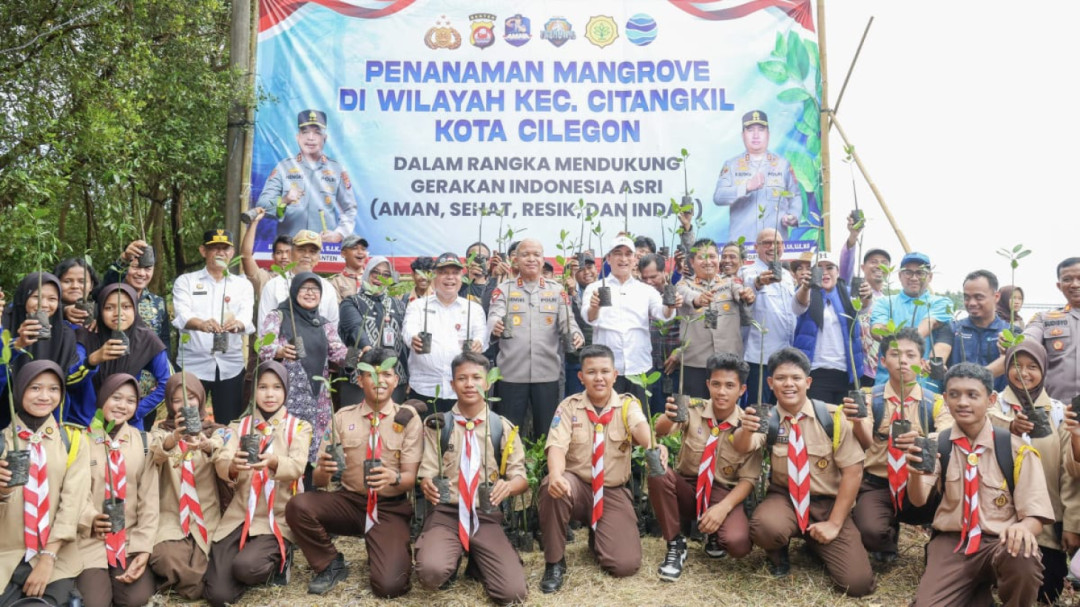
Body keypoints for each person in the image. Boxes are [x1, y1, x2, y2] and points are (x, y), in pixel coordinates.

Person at [906, 363, 1052, 607]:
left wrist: (1023, 527)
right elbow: (919, 500)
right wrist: (914, 474)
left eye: (972, 395)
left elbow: (1036, 515)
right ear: (945, 399)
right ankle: (976, 593)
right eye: (954, 394)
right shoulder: (936, 444)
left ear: (991, 399)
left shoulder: (1016, 450)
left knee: (1024, 555)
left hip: (1000, 543)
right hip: (953, 543)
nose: (963, 402)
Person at [734, 347, 874, 597]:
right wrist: (745, 429)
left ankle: (816, 543)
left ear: (808, 382)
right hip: (785, 498)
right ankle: (779, 552)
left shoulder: (833, 417)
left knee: (858, 584)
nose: (789, 384)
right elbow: (744, 446)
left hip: (827, 504)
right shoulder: (767, 417)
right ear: (770, 382)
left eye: (796, 378)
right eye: (780, 378)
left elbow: (853, 472)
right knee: (766, 527)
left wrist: (834, 523)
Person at [286, 348, 423, 597]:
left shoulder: (408, 419)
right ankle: (329, 563)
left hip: (388, 507)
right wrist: (324, 472)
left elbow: (410, 479)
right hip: (350, 503)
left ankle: (384, 550)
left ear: (396, 380)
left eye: (386, 375)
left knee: (390, 586)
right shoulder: (340, 418)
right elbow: (318, 480)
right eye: (371, 375)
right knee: (298, 505)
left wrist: (394, 478)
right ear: (360, 380)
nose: (379, 381)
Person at [415, 351, 528, 605]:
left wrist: (508, 486)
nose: (469, 384)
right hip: (446, 514)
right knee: (431, 574)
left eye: (476, 377)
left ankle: (478, 563)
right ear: (452, 384)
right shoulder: (438, 424)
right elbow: (427, 472)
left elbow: (520, 477)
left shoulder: (501, 426)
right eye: (462, 378)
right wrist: (427, 483)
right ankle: (450, 559)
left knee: (513, 594)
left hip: (485, 515)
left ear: (488, 383)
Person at [538, 345, 652, 592]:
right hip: (576, 486)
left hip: (611, 491)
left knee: (625, 565)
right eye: (591, 372)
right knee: (552, 486)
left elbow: (641, 427)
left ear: (615, 374)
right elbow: (556, 445)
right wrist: (556, 474)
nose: (598, 378)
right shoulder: (569, 406)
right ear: (581, 376)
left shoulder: (627, 406)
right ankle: (555, 561)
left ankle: (597, 534)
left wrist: (654, 445)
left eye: (604, 371)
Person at [204, 361, 312, 607]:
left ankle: (280, 560)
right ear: (253, 392)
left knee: (246, 568)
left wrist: (274, 461)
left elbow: (298, 465)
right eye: (262, 387)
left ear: (286, 390)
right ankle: (240, 567)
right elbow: (221, 458)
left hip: (276, 516)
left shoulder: (299, 427)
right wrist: (232, 465)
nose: (270, 394)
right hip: (239, 515)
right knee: (218, 595)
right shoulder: (238, 426)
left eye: (276, 387)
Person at [649, 353, 761, 581]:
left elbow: (749, 479)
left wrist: (723, 508)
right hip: (688, 488)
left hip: (722, 493)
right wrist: (668, 420)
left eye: (730, 386)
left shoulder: (749, 423)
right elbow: (661, 430)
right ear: (708, 384)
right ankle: (675, 544)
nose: (722, 392)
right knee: (657, 469)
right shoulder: (693, 408)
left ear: (741, 390)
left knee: (738, 544)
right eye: (716, 384)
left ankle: (714, 535)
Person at [849, 328, 951, 562]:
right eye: (895, 354)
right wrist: (856, 422)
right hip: (878, 483)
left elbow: (947, 436)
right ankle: (886, 538)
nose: (903, 360)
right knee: (870, 531)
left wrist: (922, 440)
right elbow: (865, 441)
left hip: (921, 483)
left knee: (946, 508)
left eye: (910, 355)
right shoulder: (869, 398)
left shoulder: (934, 403)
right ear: (883, 361)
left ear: (921, 362)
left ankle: (939, 545)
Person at [991, 341, 1077, 604]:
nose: (1024, 373)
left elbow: (1069, 474)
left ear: (1044, 370)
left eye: (1032, 367)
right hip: (996, 520)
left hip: (1045, 526)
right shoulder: (993, 407)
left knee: (1046, 591)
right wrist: (1009, 427)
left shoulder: (1059, 413)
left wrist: (1072, 524)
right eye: (1017, 365)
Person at [0, 360, 91, 606]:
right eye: (35, 388)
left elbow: (73, 502)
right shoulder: (2, 443)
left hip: (56, 554)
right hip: (6, 554)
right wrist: (3, 493)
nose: (44, 396)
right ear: (19, 390)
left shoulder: (73, 441)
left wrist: (48, 557)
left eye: (53, 389)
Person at [75, 374, 159, 607]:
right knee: (94, 603)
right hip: (91, 540)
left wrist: (144, 549)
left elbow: (149, 500)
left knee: (136, 600)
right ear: (102, 398)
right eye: (116, 398)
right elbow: (75, 492)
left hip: (130, 538)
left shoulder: (143, 442)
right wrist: (90, 519)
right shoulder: (82, 440)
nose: (122, 406)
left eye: (131, 401)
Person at [488, 238, 584, 436]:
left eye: (536, 255)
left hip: (547, 373)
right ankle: (511, 467)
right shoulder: (504, 290)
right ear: (516, 260)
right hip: (511, 374)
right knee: (510, 432)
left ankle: (546, 467)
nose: (531, 259)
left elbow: (569, 322)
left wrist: (575, 334)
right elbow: (493, 315)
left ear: (542, 259)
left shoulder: (556, 291)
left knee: (547, 431)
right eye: (525, 255)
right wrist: (495, 325)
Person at [148, 372, 227, 600]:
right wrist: (173, 439)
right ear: (170, 405)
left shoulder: (217, 431)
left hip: (208, 516)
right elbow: (155, 454)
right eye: (177, 400)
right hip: (173, 516)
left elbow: (224, 453)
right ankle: (196, 584)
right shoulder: (160, 431)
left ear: (201, 398)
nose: (185, 404)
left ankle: (188, 583)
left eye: (191, 397)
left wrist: (207, 446)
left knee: (210, 556)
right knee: (165, 558)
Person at [259, 272, 347, 463]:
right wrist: (280, 350)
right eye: (304, 288)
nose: (310, 293)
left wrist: (359, 356)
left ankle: (311, 487)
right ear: (294, 290)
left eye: (315, 289)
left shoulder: (324, 324)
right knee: (286, 446)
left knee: (315, 452)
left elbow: (338, 352)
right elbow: (263, 348)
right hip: (287, 396)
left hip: (318, 399)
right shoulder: (278, 316)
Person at [581, 236, 679, 405]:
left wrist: (671, 305)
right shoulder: (595, 288)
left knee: (639, 419)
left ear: (635, 259)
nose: (623, 258)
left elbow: (662, 314)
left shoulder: (645, 290)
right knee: (607, 419)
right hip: (607, 369)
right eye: (618, 253)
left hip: (639, 366)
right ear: (608, 258)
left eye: (628, 254)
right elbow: (588, 318)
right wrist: (595, 307)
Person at [172, 230, 255, 425]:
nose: (220, 252)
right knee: (187, 423)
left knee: (228, 424)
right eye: (214, 248)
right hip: (192, 365)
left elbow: (246, 316)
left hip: (230, 366)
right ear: (203, 251)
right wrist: (201, 324)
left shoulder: (243, 285)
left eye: (224, 248)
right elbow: (182, 314)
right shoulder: (186, 281)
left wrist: (237, 324)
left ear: (232, 252)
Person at [0, 272, 97, 428]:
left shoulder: (65, 334)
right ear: (23, 297)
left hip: (49, 419)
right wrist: (18, 344)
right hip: (7, 418)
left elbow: (68, 378)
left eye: (52, 299)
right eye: (36, 297)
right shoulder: (6, 326)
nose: (43, 304)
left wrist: (92, 362)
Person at [72, 283, 171, 429]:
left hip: (127, 424)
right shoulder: (87, 336)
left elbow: (166, 383)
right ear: (99, 310)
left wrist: (135, 411)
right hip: (86, 420)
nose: (118, 313)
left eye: (126, 307)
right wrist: (94, 359)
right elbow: (70, 377)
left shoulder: (145, 339)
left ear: (135, 309)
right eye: (109, 308)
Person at [254, 109, 357, 243]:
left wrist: (339, 234)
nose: (310, 138)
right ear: (298, 137)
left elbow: (349, 209)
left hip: (322, 250)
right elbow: (262, 206)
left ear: (324, 138)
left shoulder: (337, 170)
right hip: (289, 249)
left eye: (317, 133)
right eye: (305, 132)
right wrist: (284, 200)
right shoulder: (283, 168)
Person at [402, 253, 488, 410]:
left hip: (461, 391)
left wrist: (479, 343)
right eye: (444, 273)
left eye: (455, 273)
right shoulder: (418, 306)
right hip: (424, 388)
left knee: (460, 433)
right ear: (434, 277)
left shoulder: (473, 309)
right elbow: (409, 329)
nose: (450, 278)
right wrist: (413, 338)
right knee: (423, 433)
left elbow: (482, 333)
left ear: (462, 277)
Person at [676, 239, 755, 399]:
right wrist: (698, 299)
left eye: (712, 256)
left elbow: (740, 293)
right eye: (701, 257)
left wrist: (747, 294)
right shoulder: (683, 285)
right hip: (696, 363)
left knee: (727, 412)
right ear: (692, 261)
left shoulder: (730, 283)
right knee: (695, 412)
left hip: (728, 362)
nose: (708, 262)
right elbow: (687, 296)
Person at [712, 110, 800, 243]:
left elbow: (795, 196)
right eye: (750, 130)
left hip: (775, 246)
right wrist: (745, 187)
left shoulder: (783, 165)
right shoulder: (731, 165)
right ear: (743, 135)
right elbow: (718, 197)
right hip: (742, 246)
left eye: (761, 129)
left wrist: (793, 214)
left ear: (768, 135)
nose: (756, 135)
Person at [791, 253, 868, 404]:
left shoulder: (848, 292)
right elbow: (798, 306)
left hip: (847, 372)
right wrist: (806, 287)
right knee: (820, 421)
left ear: (838, 272)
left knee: (845, 422)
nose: (825, 272)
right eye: (819, 268)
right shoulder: (805, 292)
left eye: (830, 267)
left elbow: (863, 307)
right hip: (815, 371)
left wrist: (867, 296)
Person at [869, 251, 953, 386]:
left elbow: (929, 323)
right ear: (900, 275)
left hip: (925, 385)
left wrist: (897, 340)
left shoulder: (941, 303)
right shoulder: (884, 302)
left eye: (920, 273)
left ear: (930, 276)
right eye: (908, 272)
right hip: (887, 384)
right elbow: (876, 329)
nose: (914, 278)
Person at [338, 255, 409, 405]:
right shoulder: (351, 302)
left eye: (385, 274)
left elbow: (406, 341)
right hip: (359, 376)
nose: (379, 277)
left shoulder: (399, 305)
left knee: (389, 424)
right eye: (375, 272)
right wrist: (367, 347)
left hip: (394, 377)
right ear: (367, 272)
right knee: (357, 423)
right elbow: (354, 327)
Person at [739, 228, 797, 406]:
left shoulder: (787, 276)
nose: (773, 247)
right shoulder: (747, 272)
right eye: (767, 243)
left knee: (782, 409)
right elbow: (749, 286)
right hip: (760, 358)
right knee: (759, 411)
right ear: (756, 247)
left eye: (777, 243)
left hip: (786, 355)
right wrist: (759, 282)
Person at [933, 270, 1010, 391]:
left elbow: (1009, 361)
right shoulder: (952, 328)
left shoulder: (1010, 332)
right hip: (957, 402)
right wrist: (935, 363)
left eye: (979, 297)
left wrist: (972, 381)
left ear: (996, 297)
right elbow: (940, 350)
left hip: (997, 404)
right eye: (967, 297)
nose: (972, 303)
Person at [1022, 257, 1080, 402]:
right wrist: (1013, 343)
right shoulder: (1044, 318)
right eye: (1067, 279)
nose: (1075, 284)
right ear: (1059, 286)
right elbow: (1028, 339)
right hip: (1059, 410)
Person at [258, 230, 339, 329]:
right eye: (301, 250)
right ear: (291, 253)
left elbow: (333, 328)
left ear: (318, 258)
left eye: (312, 252)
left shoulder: (327, 288)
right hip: (283, 344)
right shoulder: (273, 285)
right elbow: (264, 327)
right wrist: (279, 345)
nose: (306, 255)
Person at [100, 239, 171, 352]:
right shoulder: (111, 296)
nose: (141, 273)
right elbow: (105, 285)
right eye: (136, 267)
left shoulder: (159, 303)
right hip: (116, 365)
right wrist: (124, 258)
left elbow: (164, 340)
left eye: (147, 268)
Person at [639, 253, 681, 415]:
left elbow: (694, 330)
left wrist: (680, 352)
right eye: (644, 278)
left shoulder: (678, 295)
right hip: (648, 369)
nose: (649, 282)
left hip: (674, 369)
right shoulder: (638, 296)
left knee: (672, 416)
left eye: (653, 277)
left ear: (664, 272)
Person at [240, 208, 293, 298]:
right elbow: (246, 256)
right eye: (279, 252)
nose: (284, 256)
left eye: (288, 252)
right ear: (273, 256)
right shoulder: (266, 279)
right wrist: (255, 222)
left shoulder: (302, 280)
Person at [55, 257, 100, 329]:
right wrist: (62, 311)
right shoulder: (47, 309)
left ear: (91, 285)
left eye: (82, 281)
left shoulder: (102, 312)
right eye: (67, 281)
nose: (75, 286)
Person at [328, 235, 370, 302]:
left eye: (363, 249)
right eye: (355, 248)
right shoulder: (335, 282)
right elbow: (335, 309)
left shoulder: (373, 279)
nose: (360, 252)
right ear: (343, 253)